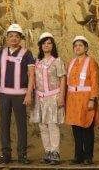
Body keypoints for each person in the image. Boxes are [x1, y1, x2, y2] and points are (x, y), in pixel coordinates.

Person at [0, 23, 35, 164]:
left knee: (21, 125)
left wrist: (29, 94)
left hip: (20, 95)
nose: (14, 38)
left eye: (16, 36)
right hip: (3, 94)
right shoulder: (1, 53)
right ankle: (6, 155)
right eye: (11, 36)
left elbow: (32, 75)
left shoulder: (26, 53)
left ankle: (22, 155)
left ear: (20, 38)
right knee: (4, 124)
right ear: (7, 38)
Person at [64, 35, 99, 165]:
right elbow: (67, 83)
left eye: (80, 45)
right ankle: (78, 156)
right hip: (73, 100)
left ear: (86, 48)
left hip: (86, 99)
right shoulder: (71, 62)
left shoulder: (91, 61)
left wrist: (92, 99)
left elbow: (95, 81)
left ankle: (88, 156)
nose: (77, 48)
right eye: (75, 46)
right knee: (76, 130)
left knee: (87, 128)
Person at [30, 32, 66, 165]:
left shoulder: (57, 61)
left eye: (49, 43)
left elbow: (62, 79)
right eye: (44, 43)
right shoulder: (37, 61)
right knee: (42, 125)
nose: (46, 45)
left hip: (53, 96)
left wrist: (61, 96)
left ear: (53, 45)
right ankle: (48, 151)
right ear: (40, 46)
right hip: (40, 97)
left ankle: (55, 151)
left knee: (52, 124)